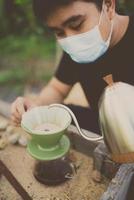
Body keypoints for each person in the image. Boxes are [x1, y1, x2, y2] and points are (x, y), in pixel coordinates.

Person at [11, 0, 133, 181]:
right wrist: (35, 107)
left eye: (76, 24)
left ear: (108, 6)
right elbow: (57, 89)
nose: (70, 39)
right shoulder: (75, 51)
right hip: (101, 124)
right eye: (59, 33)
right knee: (64, 112)